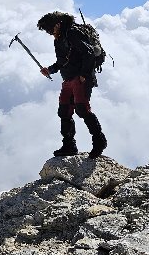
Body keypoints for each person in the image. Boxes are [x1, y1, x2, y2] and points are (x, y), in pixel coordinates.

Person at [37, 11, 107, 159]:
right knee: (64, 111)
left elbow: (88, 53)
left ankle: (99, 141)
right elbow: (62, 62)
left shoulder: (73, 33)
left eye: (50, 28)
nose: (50, 32)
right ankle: (69, 145)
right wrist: (49, 70)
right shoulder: (59, 38)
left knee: (82, 109)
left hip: (80, 79)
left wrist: (84, 75)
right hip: (68, 79)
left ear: (58, 24)